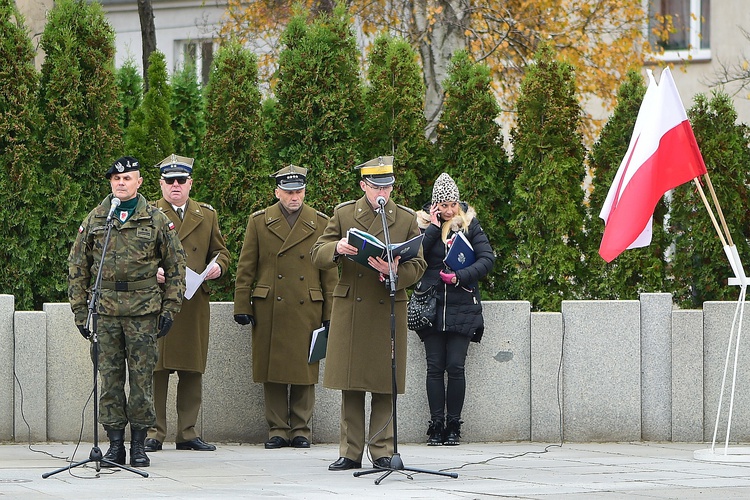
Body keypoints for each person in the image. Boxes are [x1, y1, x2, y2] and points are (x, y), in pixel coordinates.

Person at [68, 156, 186, 468]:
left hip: (143, 311)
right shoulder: (96, 218)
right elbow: (77, 266)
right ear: (110, 182)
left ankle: (138, 445)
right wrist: (81, 312)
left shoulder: (156, 219)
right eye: (116, 179)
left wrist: (170, 308)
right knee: (110, 379)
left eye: (128, 178)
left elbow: (176, 266)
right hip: (105, 311)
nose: (121, 183)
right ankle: (115, 445)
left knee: (142, 380)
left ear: (139, 182)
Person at [311, 156, 426, 471]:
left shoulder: (404, 219)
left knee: (384, 382)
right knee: (351, 382)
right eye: (376, 185)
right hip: (352, 308)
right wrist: (338, 249)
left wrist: (393, 271)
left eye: (387, 186)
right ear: (363, 185)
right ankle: (350, 451)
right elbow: (317, 253)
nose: (382, 191)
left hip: (387, 305)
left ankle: (383, 450)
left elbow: (418, 264)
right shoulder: (344, 213)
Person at [234, 165, 337, 449]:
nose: (295, 197)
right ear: (277, 192)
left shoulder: (320, 222)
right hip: (270, 304)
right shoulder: (259, 221)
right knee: (274, 369)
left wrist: (331, 313)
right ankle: (277, 429)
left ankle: (302, 429)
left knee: (306, 369)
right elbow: (246, 267)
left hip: (308, 303)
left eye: (300, 191)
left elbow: (329, 273)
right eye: (289, 192)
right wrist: (242, 303)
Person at [144, 154, 231, 453]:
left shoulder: (207, 215)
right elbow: (134, 255)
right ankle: (154, 432)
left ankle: (188, 432)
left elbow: (221, 251)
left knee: (192, 370)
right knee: (156, 370)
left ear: (190, 183)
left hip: (193, 301)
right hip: (158, 301)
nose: (176, 186)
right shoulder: (149, 212)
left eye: (181, 180)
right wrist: (150, 271)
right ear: (161, 184)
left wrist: (218, 267)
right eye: (170, 181)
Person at [414, 172, 494, 446]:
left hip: (463, 305)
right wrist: (434, 228)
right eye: (443, 205)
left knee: (455, 366)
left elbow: (487, 259)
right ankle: (436, 424)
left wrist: (461, 277)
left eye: (453, 204)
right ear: (434, 206)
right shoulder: (423, 225)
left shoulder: (470, 224)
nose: (449, 210)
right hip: (431, 306)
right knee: (434, 367)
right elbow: (415, 257)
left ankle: (454, 425)